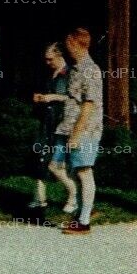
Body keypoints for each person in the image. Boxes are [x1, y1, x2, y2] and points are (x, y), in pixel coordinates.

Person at [58, 27, 103, 236]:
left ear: (76, 43)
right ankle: (86, 210)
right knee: (75, 171)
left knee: (84, 172)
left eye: (68, 43)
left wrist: (76, 134)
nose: (66, 48)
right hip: (72, 127)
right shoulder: (75, 69)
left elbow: (88, 105)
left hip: (85, 130)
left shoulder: (89, 69)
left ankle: (84, 222)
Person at [29, 42, 76, 224]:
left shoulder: (70, 74)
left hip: (62, 123)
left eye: (50, 59)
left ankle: (73, 194)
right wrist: (41, 98)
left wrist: (52, 97)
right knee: (39, 156)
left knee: (56, 165)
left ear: (60, 56)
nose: (47, 62)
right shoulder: (52, 75)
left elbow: (73, 98)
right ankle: (39, 198)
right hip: (47, 122)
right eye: (46, 59)